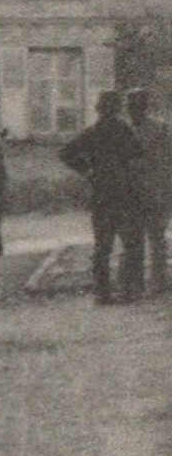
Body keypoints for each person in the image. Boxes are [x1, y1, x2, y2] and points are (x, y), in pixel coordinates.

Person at [60, 90, 145, 305]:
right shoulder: (125, 130)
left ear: (99, 109)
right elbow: (138, 153)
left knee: (102, 245)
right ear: (117, 109)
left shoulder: (92, 132)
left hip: (101, 193)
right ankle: (129, 290)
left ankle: (103, 293)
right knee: (131, 243)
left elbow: (65, 152)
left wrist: (87, 170)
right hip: (125, 193)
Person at [127, 88, 171, 296]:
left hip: (155, 192)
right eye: (130, 106)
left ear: (144, 106)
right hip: (131, 193)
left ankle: (158, 283)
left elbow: (167, 162)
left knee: (156, 239)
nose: (133, 110)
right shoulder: (122, 129)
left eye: (137, 105)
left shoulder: (161, 129)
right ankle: (135, 284)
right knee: (133, 240)